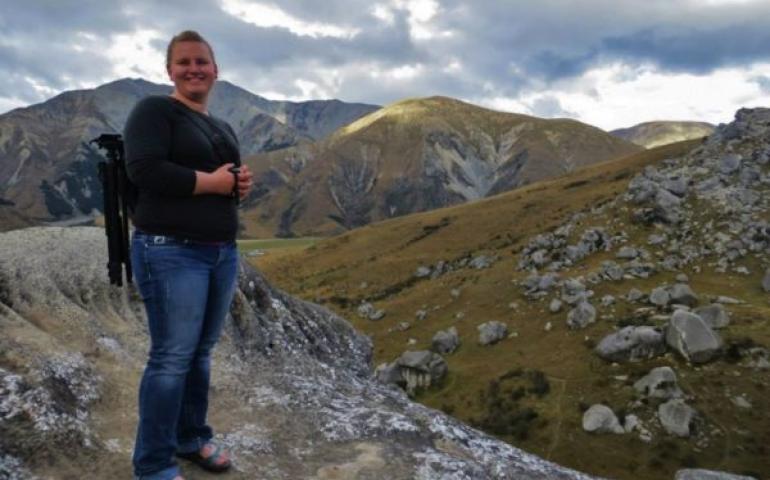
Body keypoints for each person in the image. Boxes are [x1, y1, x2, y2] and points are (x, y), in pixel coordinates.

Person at [124, 30, 253, 480]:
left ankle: (192, 438)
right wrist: (213, 183)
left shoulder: (221, 126)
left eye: (202, 61)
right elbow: (144, 169)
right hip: (170, 251)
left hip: (219, 253)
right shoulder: (155, 110)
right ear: (170, 71)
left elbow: (215, 181)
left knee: (199, 353)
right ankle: (153, 464)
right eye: (184, 62)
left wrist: (236, 185)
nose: (194, 69)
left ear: (216, 70)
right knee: (172, 357)